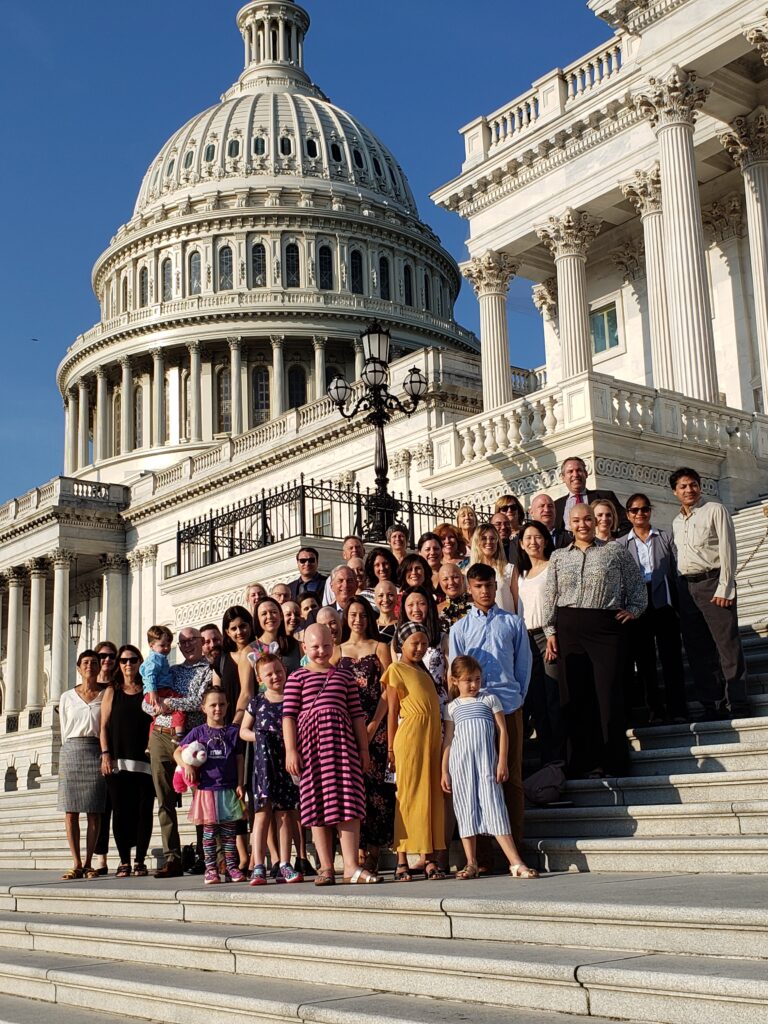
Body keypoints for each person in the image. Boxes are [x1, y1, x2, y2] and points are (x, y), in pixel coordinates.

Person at [544, 503, 647, 777]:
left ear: (596, 521)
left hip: (605, 628)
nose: (583, 524)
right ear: (568, 524)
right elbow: (550, 595)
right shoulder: (557, 556)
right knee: (576, 695)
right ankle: (582, 762)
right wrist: (550, 632)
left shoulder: (614, 550)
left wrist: (633, 610)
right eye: (576, 520)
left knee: (607, 694)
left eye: (588, 519)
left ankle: (612, 760)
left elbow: (638, 587)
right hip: (568, 628)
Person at [283, 623, 378, 885]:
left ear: (333, 645)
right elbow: (288, 717)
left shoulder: (344, 677)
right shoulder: (296, 678)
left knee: (349, 802)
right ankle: (326, 867)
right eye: (314, 646)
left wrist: (363, 749)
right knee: (316, 804)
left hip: (343, 747)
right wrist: (291, 750)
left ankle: (350, 866)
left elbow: (357, 716)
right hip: (312, 750)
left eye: (326, 645)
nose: (321, 651)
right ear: (304, 648)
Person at [449, 563, 531, 858]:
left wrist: (518, 695)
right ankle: (481, 856)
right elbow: (455, 669)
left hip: (508, 706)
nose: (485, 591)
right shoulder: (460, 629)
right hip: (474, 712)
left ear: (496, 587)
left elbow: (523, 664)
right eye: (478, 586)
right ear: (469, 589)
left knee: (510, 777)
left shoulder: (512, 623)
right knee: (476, 778)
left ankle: (514, 849)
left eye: (489, 585)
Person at [442, 656, 538, 879]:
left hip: (486, 763)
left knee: (494, 806)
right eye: (468, 680)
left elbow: (502, 731)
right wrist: (444, 770)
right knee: (465, 808)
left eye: (477, 679)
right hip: (461, 765)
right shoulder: (452, 707)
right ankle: (471, 862)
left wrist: (502, 761)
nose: (474, 684)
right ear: (455, 681)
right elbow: (448, 740)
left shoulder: (489, 699)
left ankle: (515, 862)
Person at [670, 467, 749, 720]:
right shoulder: (676, 521)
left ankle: (736, 701)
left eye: (693, 484)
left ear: (700, 486)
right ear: (675, 492)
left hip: (713, 583)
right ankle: (711, 703)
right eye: (683, 486)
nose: (689, 490)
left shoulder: (715, 510)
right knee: (698, 650)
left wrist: (726, 587)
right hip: (687, 588)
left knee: (727, 645)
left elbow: (728, 550)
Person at [144, 627, 211, 878]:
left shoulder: (207, 671)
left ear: (201, 642)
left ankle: (206, 855)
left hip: (192, 739)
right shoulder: (171, 670)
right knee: (164, 800)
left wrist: (168, 703)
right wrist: (155, 705)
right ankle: (172, 857)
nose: (186, 645)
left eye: (191, 640)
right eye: (182, 642)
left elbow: (198, 702)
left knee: (200, 797)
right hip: (161, 736)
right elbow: (146, 702)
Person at [616, 493, 687, 725]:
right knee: (645, 662)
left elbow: (676, 572)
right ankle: (655, 709)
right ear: (628, 514)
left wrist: (678, 605)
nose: (640, 514)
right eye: (634, 510)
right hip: (637, 606)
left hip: (663, 603)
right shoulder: (620, 544)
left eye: (644, 509)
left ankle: (678, 708)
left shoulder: (664, 537)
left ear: (650, 511)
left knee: (671, 659)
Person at [384, 622, 445, 881]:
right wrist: (390, 747)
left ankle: (428, 857)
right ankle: (401, 859)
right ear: (402, 644)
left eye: (423, 643)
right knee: (407, 797)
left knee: (430, 797)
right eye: (414, 643)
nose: (419, 648)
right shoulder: (396, 669)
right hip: (409, 738)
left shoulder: (424, 672)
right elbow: (392, 711)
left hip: (431, 740)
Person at [338, 598, 394, 876]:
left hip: (378, 726)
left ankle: (374, 849)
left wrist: (374, 723)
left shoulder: (380, 646)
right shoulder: (337, 651)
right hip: (347, 728)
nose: (357, 619)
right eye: (352, 614)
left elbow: (389, 687)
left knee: (378, 789)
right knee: (354, 789)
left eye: (362, 614)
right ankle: (356, 853)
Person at [240, 655, 302, 885]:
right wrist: (259, 735)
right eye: (269, 674)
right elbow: (242, 731)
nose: (275, 676)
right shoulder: (257, 702)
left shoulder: (294, 699)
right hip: (264, 764)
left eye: (278, 671)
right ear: (260, 678)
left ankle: (285, 863)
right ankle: (258, 865)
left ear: (285, 670)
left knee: (285, 812)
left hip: (286, 762)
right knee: (262, 813)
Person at [175, 686, 246, 885]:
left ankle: (232, 867)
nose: (218, 709)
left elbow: (239, 759)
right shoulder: (198, 732)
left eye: (222, 704)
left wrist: (241, 783)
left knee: (229, 834)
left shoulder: (233, 732)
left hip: (229, 788)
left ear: (227, 706)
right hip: (206, 789)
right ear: (203, 708)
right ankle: (211, 869)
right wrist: (186, 764)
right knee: (209, 833)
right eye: (213, 705)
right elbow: (177, 752)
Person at [99, 644, 155, 878]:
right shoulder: (113, 690)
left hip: (144, 761)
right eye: (123, 661)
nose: (128, 664)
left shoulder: (148, 690)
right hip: (118, 763)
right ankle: (124, 861)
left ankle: (140, 860)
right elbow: (103, 725)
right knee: (120, 813)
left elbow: (156, 720)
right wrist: (105, 754)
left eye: (133, 660)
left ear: (140, 662)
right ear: (118, 665)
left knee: (144, 811)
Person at [517, 521, 566, 767]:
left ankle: (559, 755)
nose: (533, 542)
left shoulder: (553, 566)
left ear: (546, 540)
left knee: (553, 696)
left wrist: (552, 632)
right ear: (521, 544)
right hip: (526, 639)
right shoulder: (522, 575)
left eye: (537, 537)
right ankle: (548, 755)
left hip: (548, 635)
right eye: (528, 538)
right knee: (537, 698)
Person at [57, 650, 107, 879]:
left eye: (94, 663)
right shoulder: (67, 696)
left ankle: (88, 863)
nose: (90, 666)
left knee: (94, 811)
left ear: (99, 668)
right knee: (71, 811)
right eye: (85, 662)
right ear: (78, 668)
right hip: (72, 750)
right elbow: (64, 727)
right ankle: (76, 861)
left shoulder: (105, 694)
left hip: (95, 750)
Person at [92, 640, 118, 877]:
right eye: (103, 656)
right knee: (97, 807)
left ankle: (111, 856)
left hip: (113, 748)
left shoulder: (118, 685)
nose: (107, 660)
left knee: (110, 803)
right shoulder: (87, 686)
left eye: (111, 656)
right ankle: (99, 856)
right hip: (92, 748)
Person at [554, 456, 627, 536]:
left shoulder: (605, 497)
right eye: (570, 471)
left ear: (586, 474)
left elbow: (626, 522)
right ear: (563, 477)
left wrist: (613, 541)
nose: (575, 474)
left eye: (579, 470)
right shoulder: (556, 506)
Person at [140, 625, 185, 744]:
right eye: (162, 645)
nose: (166, 648)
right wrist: (153, 692)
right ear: (151, 645)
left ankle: (150, 744)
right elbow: (149, 675)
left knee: (156, 719)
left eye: (169, 645)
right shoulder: (156, 658)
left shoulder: (159, 657)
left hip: (158, 690)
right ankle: (179, 734)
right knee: (179, 704)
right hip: (159, 690)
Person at [215, 607, 257, 725]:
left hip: (258, 718)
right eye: (234, 628)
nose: (239, 632)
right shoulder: (221, 660)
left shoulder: (261, 653)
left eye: (243, 626)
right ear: (227, 632)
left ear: (250, 625)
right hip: (229, 721)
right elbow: (216, 694)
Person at [469, 523, 517, 613]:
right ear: (477, 542)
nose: (488, 542)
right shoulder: (468, 572)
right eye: (484, 538)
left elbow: (517, 603)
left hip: (507, 624)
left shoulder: (509, 570)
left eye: (492, 538)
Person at [252, 597, 303, 675]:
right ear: (258, 619)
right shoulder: (249, 651)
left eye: (273, 612)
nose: (269, 616)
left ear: (281, 616)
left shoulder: (297, 645)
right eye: (264, 614)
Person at [437, 562, 470, 632]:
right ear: (440, 583)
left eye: (455, 577)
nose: (451, 582)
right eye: (445, 579)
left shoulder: (476, 605)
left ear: (463, 579)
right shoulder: (436, 610)